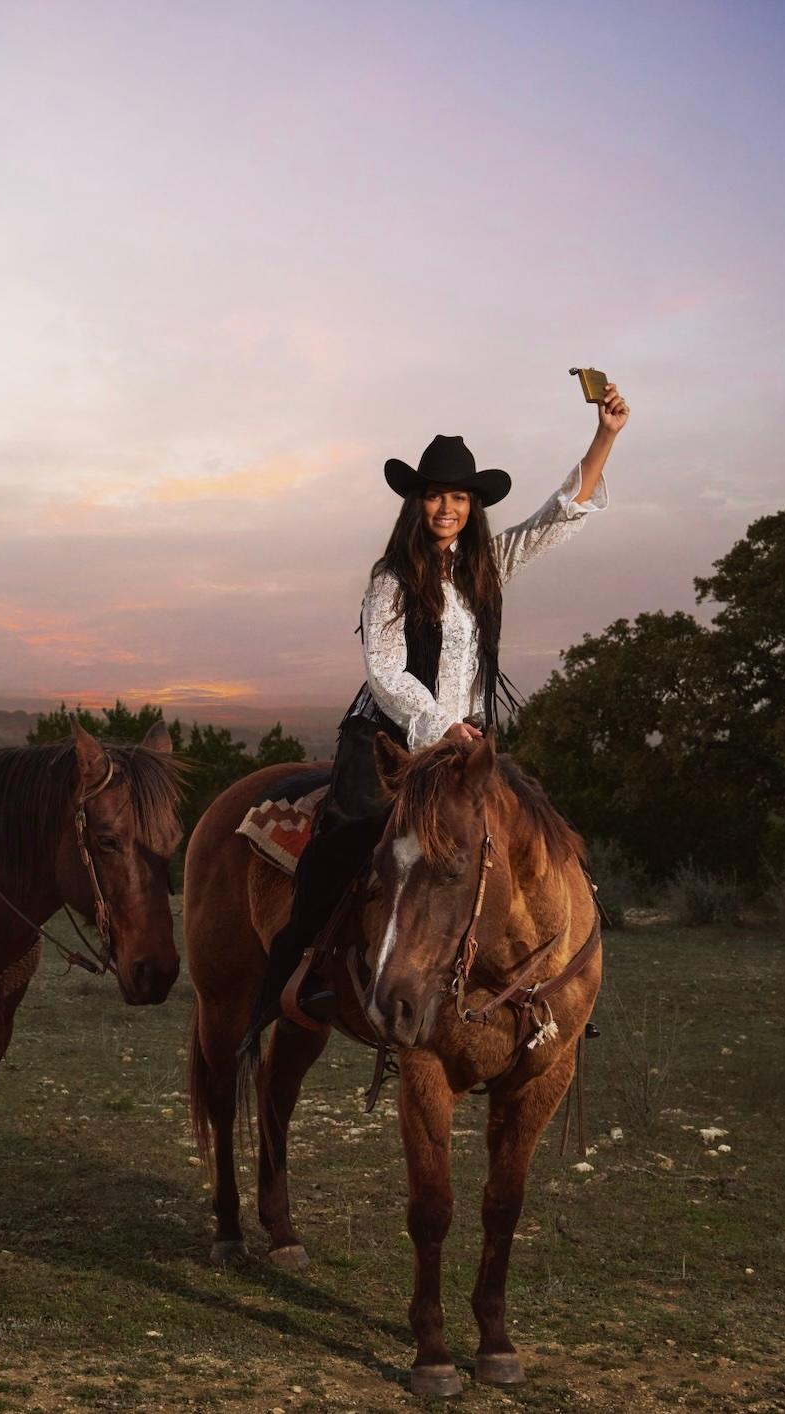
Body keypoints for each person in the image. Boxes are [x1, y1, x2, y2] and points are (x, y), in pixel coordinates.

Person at [242, 383, 630, 1053]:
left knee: (535, 837)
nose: (446, 508)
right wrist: (439, 726)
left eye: (458, 497)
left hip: (465, 745)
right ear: (416, 503)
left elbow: (556, 516)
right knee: (348, 836)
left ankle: (547, 989)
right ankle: (304, 973)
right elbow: (385, 671)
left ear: (471, 506)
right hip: (390, 738)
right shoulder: (392, 578)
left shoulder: (488, 565)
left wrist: (606, 436)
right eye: (434, 495)